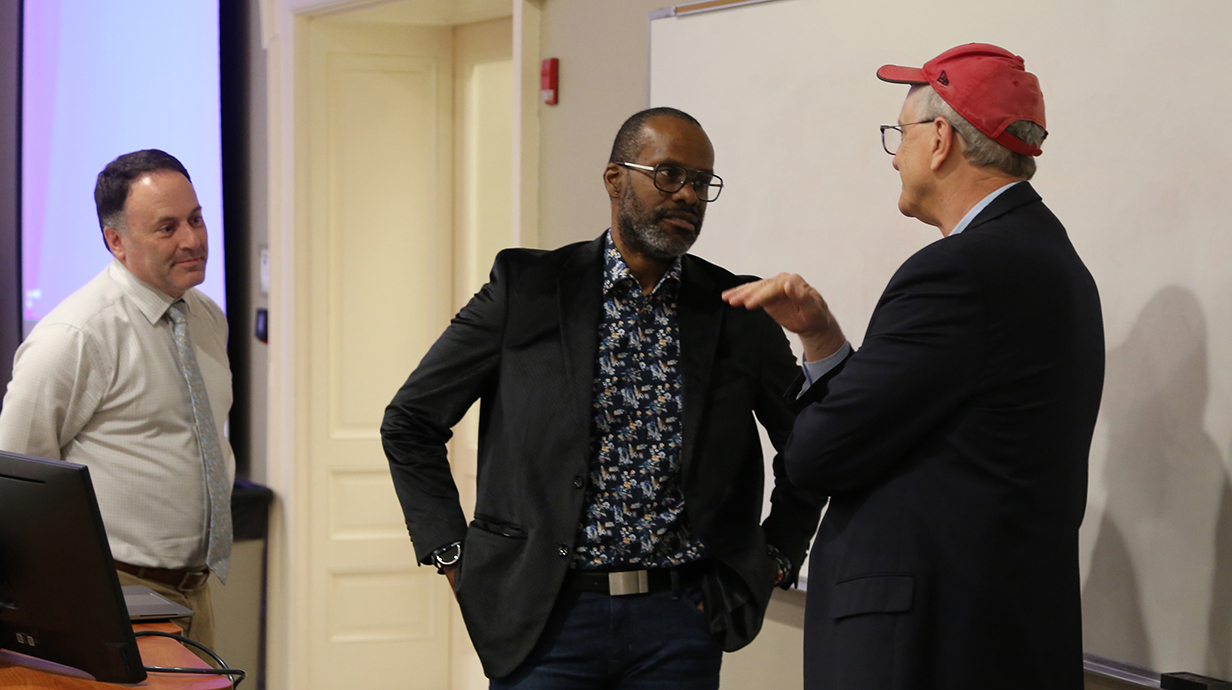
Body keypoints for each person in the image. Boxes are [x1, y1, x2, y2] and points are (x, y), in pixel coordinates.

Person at [381, 107, 823, 688]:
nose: (688, 195)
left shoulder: (735, 308)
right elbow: (411, 420)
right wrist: (450, 553)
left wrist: (777, 557)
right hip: (544, 619)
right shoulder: (528, 289)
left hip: (681, 620)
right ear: (616, 179)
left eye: (701, 182)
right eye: (669, 175)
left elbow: (811, 445)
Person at [723, 44, 1105, 689]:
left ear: (938, 142)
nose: (895, 156)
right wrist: (821, 336)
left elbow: (819, 454)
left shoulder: (958, 273)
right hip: (993, 633)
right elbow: (911, 423)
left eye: (897, 136)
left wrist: (817, 375)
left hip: (927, 646)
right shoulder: (1050, 260)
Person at [0, 149, 233, 647]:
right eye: (167, 228)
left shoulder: (208, 319)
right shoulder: (76, 335)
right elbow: (18, 483)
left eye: (195, 218)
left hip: (197, 589)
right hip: (115, 594)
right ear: (116, 241)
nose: (193, 240)